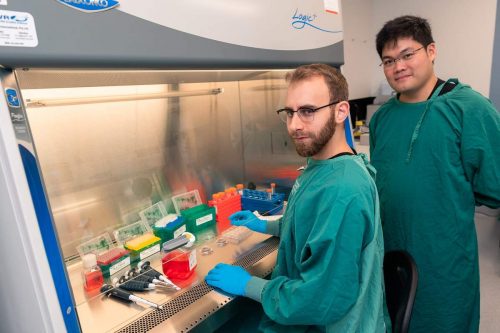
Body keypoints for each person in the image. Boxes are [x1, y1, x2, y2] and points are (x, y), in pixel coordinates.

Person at [205, 64, 386, 332]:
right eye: (289, 112)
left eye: (308, 111)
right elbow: (314, 228)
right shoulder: (322, 165)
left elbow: (322, 300)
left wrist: (248, 284)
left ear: (341, 111)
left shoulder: (343, 189)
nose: (294, 125)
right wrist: (264, 225)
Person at [370, 15, 500, 333]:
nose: (397, 66)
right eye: (388, 60)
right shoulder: (381, 118)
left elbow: (493, 188)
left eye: (407, 55)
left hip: (445, 261)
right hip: (392, 255)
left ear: (431, 51)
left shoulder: (469, 108)